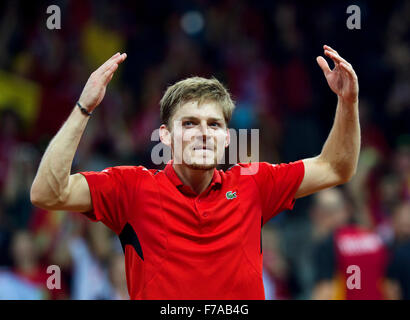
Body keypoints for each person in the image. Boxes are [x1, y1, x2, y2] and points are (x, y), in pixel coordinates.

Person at [30, 45, 360, 299]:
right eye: (189, 123)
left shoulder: (253, 183)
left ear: (226, 138)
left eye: (213, 125)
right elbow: (47, 193)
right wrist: (83, 108)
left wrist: (347, 103)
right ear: (165, 136)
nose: (203, 132)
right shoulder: (130, 188)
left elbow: (336, 166)